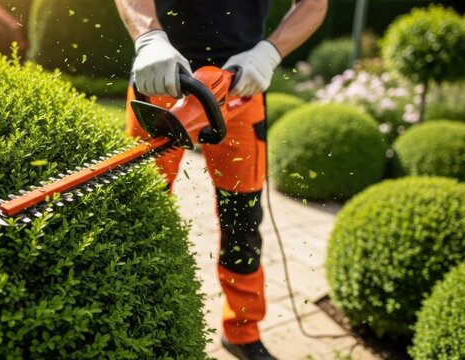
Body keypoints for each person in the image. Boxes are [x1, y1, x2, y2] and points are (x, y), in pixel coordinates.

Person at [114, 1, 327, 359]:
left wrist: (269, 52)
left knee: (242, 218)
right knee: (139, 214)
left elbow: (313, 4)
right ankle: (132, 323)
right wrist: (149, 36)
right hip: (162, 74)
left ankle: (242, 332)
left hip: (240, 83)